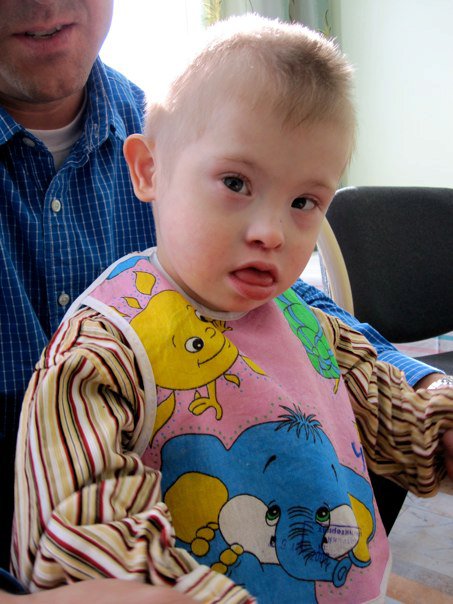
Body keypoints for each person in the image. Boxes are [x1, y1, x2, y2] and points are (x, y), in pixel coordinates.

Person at [0, 0, 445, 593]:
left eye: (304, 202)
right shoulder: (100, 350)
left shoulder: (304, 321)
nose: (272, 233)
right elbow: (87, 546)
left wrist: (439, 423)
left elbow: (394, 409)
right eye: (236, 183)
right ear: (149, 170)